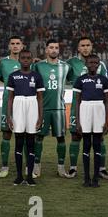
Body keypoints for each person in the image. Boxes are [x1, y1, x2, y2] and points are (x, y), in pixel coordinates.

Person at [66, 37, 108, 179]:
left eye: (88, 45)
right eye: (82, 45)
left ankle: (102, 168)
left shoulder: (100, 64)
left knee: (100, 137)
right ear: (78, 48)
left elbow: (104, 87)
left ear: (91, 46)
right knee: (76, 136)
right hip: (78, 106)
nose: (85, 48)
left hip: (97, 108)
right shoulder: (71, 63)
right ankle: (73, 168)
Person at [32, 39, 70, 177]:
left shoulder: (66, 66)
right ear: (46, 50)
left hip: (59, 108)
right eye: (51, 47)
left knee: (61, 138)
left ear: (58, 50)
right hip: (42, 108)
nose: (54, 50)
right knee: (39, 137)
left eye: (56, 48)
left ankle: (61, 167)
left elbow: (73, 78)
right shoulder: (38, 66)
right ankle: (36, 166)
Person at [7, 50, 44, 186]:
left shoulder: (37, 76)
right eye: (23, 58)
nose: (26, 60)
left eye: (28, 58)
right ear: (19, 60)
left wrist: (40, 117)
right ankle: (18, 175)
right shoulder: (13, 76)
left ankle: (29, 176)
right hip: (18, 105)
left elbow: (40, 98)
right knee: (18, 141)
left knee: (30, 142)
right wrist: (9, 116)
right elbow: (10, 98)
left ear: (32, 59)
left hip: (32, 105)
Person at [73, 54, 108, 187]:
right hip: (85, 109)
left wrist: (107, 122)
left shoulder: (104, 80)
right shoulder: (81, 80)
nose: (93, 65)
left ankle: (96, 178)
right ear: (86, 64)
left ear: (99, 64)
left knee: (97, 145)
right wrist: (78, 122)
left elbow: (107, 102)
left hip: (99, 110)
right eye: (90, 62)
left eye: (96, 62)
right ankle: (86, 178)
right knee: (86, 144)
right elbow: (77, 101)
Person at [0, 36, 24, 178]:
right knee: (6, 134)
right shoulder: (3, 63)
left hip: (25, 103)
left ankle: (26, 166)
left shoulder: (28, 62)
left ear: (22, 46)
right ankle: (4, 167)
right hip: (8, 102)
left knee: (24, 135)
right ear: (9, 46)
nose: (15, 46)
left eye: (18, 44)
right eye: (13, 44)